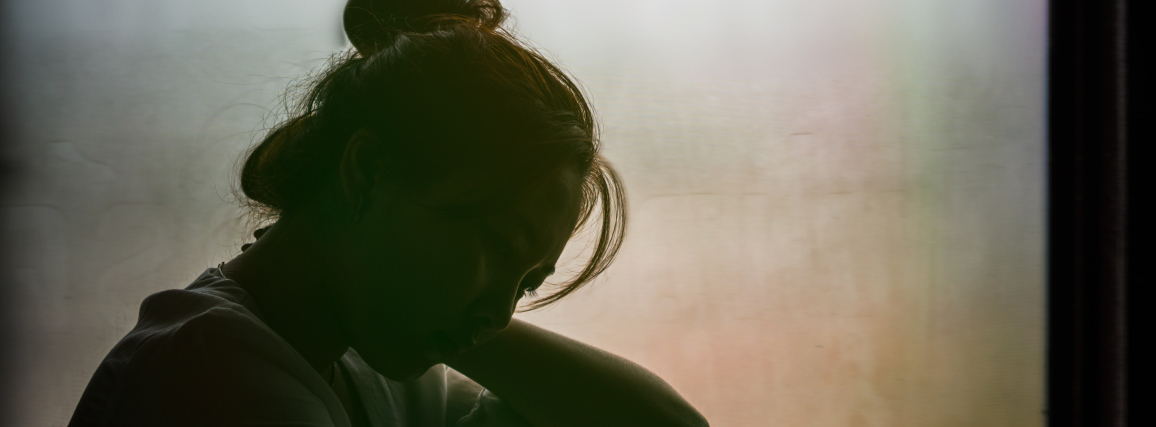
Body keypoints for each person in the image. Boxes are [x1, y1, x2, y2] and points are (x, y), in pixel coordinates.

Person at [67, 1, 708, 426]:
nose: (501, 311)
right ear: (368, 172)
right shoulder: (210, 378)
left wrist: (464, 314)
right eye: (495, 245)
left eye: (526, 284)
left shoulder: (370, 365)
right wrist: (454, 315)